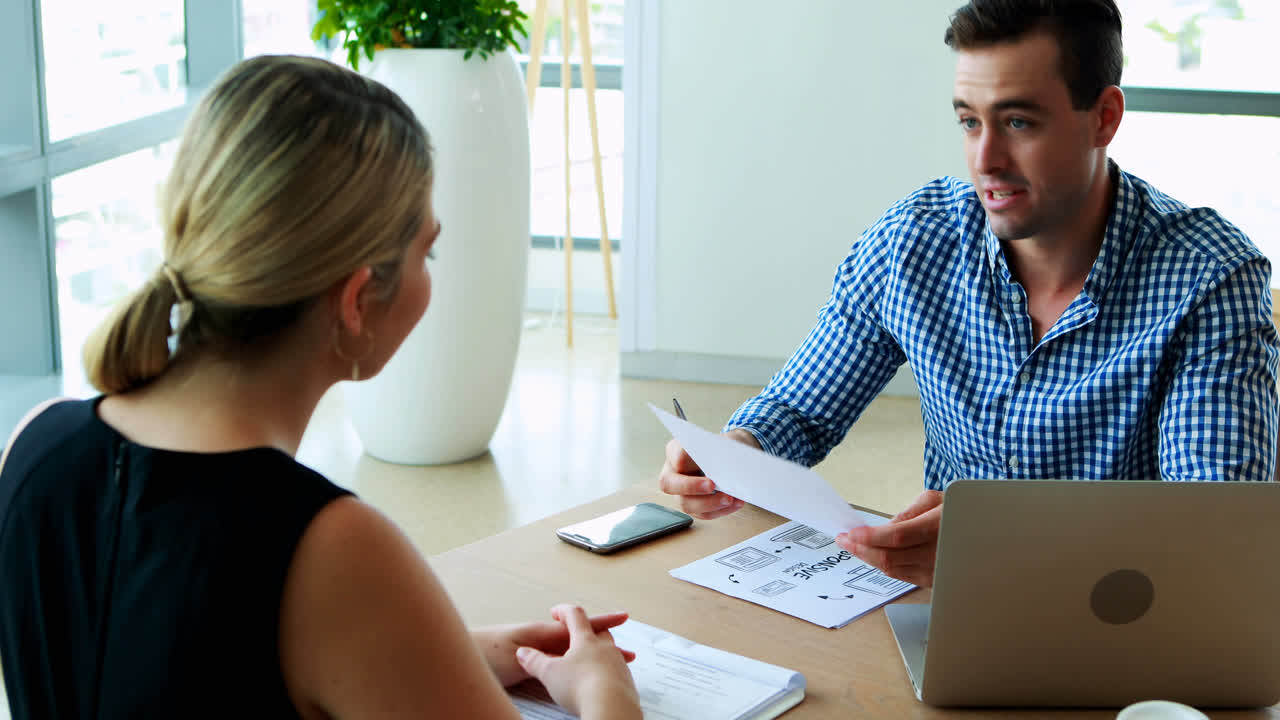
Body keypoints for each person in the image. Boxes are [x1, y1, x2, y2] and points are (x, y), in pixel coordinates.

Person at [0, 55, 641, 720]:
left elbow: (167, 664)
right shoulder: (330, 548)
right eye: (428, 253)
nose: (430, 276)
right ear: (358, 299)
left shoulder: (36, 448)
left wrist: (445, 653)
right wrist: (603, 691)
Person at [659, 0, 1280, 589]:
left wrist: (999, 539)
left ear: (1105, 118)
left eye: (1018, 122)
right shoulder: (915, 241)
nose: (985, 159)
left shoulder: (1209, 277)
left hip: (1122, 621)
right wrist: (735, 455)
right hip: (950, 613)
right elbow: (799, 410)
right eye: (968, 121)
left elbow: (1213, 531)